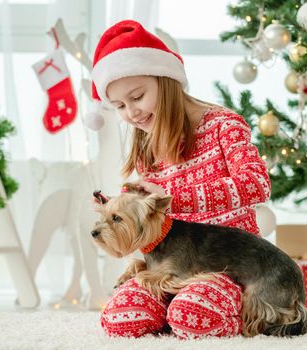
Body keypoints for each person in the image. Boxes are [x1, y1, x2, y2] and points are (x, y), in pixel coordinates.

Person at [92, 19, 271, 339]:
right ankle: (170, 306)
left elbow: (256, 184)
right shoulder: (146, 145)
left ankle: (232, 313)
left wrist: (170, 195)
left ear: (166, 80)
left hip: (223, 267)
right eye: (119, 105)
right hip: (164, 269)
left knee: (193, 316)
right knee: (123, 318)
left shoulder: (224, 126)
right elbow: (147, 224)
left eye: (137, 96)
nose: (131, 112)